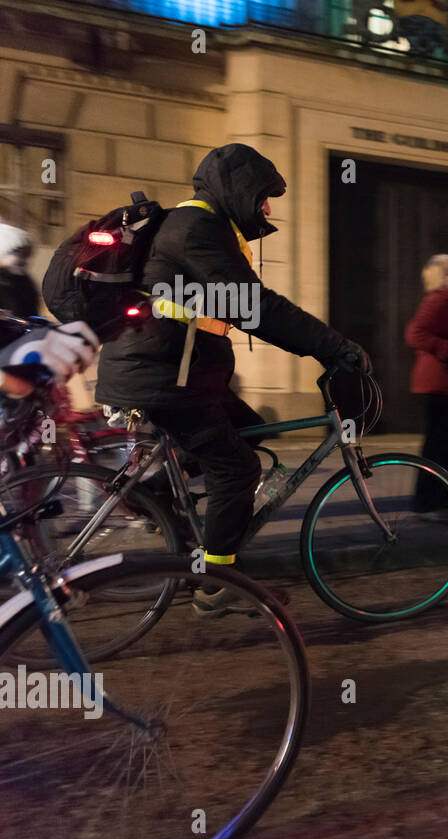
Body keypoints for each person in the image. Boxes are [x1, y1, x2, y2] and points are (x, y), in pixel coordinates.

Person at [94, 143, 369, 617]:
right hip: (162, 375)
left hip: (178, 372)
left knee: (246, 429)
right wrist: (333, 347)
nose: (266, 209)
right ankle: (216, 583)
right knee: (236, 468)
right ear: (239, 189)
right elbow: (256, 308)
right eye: (263, 197)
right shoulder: (198, 227)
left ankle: (158, 493)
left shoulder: (199, 225)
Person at [405, 253, 448, 516]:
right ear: (446, 278)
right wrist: (445, 349)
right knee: (437, 448)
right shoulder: (437, 301)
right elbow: (415, 333)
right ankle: (426, 503)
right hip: (438, 386)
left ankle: (445, 499)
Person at [0, 225, 39, 318]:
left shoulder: (24, 281)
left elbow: (32, 313)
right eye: (16, 253)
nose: (22, 259)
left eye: (25, 254)